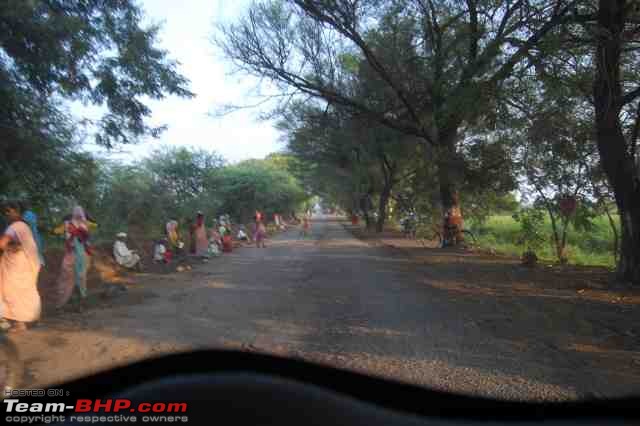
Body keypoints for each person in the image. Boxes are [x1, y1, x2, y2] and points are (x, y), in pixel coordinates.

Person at [0, 201, 42, 332]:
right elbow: (15, 244)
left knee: (11, 291)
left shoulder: (14, 227)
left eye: (9, 211)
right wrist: (12, 246)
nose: (7, 214)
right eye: (5, 212)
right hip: (24, 263)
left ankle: (18, 323)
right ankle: (23, 320)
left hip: (16, 265)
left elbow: (2, 244)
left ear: (17, 211)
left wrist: (8, 246)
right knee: (22, 290)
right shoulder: (24, 226)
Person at [52, 206, 92, 307]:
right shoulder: (80, 225)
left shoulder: (81, 225)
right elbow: (86, 240)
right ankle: (74, 300)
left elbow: (84, 239)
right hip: (77, 255)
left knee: (73, 277)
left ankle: (76, 301)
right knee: (74, 277)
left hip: (77, 255)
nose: (78, 216)